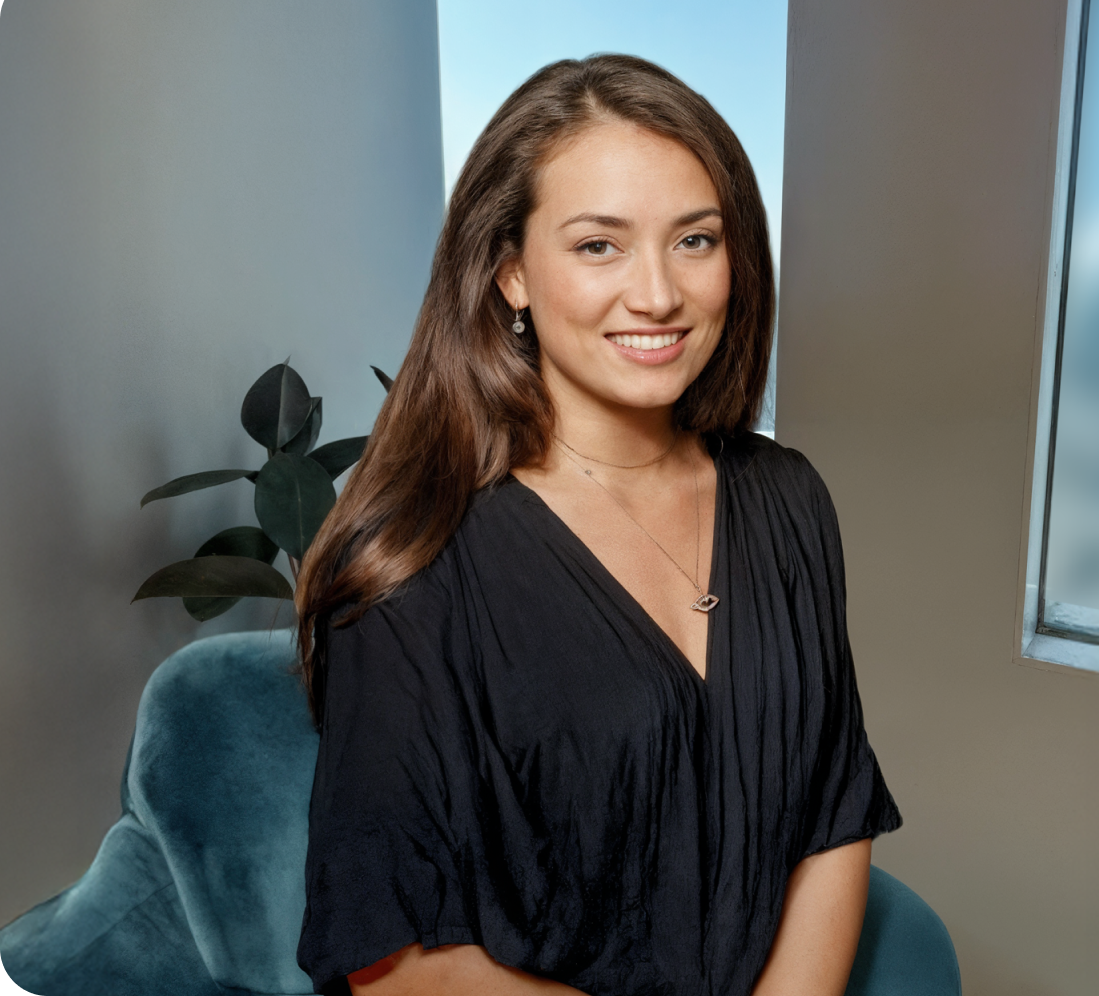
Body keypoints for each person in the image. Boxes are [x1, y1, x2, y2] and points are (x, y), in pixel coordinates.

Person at [293, 54, 900, 996]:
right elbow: (396, 960)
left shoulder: (788, 500)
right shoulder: (415, 558)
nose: (658, 294)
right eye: (598, 245)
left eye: (695, 240)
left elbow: (833, 814)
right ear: (510, 276)